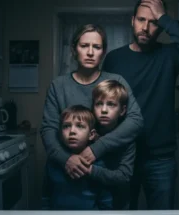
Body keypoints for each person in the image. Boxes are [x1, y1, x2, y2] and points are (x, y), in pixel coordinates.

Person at [102, 0, 179, 210]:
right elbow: (103, 104)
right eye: (141, 20)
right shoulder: (114, 59)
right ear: (132, 21)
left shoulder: (169, 56)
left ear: (161, 27)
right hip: (122, 155)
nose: (145, 27)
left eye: (153, 22)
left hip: (160, 158)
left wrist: (165, 18)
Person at [40, 24, 143, 208]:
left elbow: (136, 121)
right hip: (70, 179)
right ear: (73, 49)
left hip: (110, 174)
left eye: (96, 47)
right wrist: (66, 159)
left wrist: (97, 149)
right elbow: (48, 129)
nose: (90, 52)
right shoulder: (58, 86)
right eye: (84, 46)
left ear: (103, 52)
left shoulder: (116, 81)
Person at [46, 105, 112, 210]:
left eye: (80, 126)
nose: (72, 131)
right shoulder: (53, 162)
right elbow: (46, 197)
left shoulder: (99, 164)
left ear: (91, 134)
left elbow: (106, 201)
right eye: (66, 126)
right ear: (60, 133)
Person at [91, 79, 135, 209]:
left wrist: (90, 171)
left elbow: (124, 177)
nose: (104, 110)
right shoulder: (88, 133)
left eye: (111, 104)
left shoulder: (127, 139)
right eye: (99, 104)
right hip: (92, 201)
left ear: (122, 110)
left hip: (119, 202)